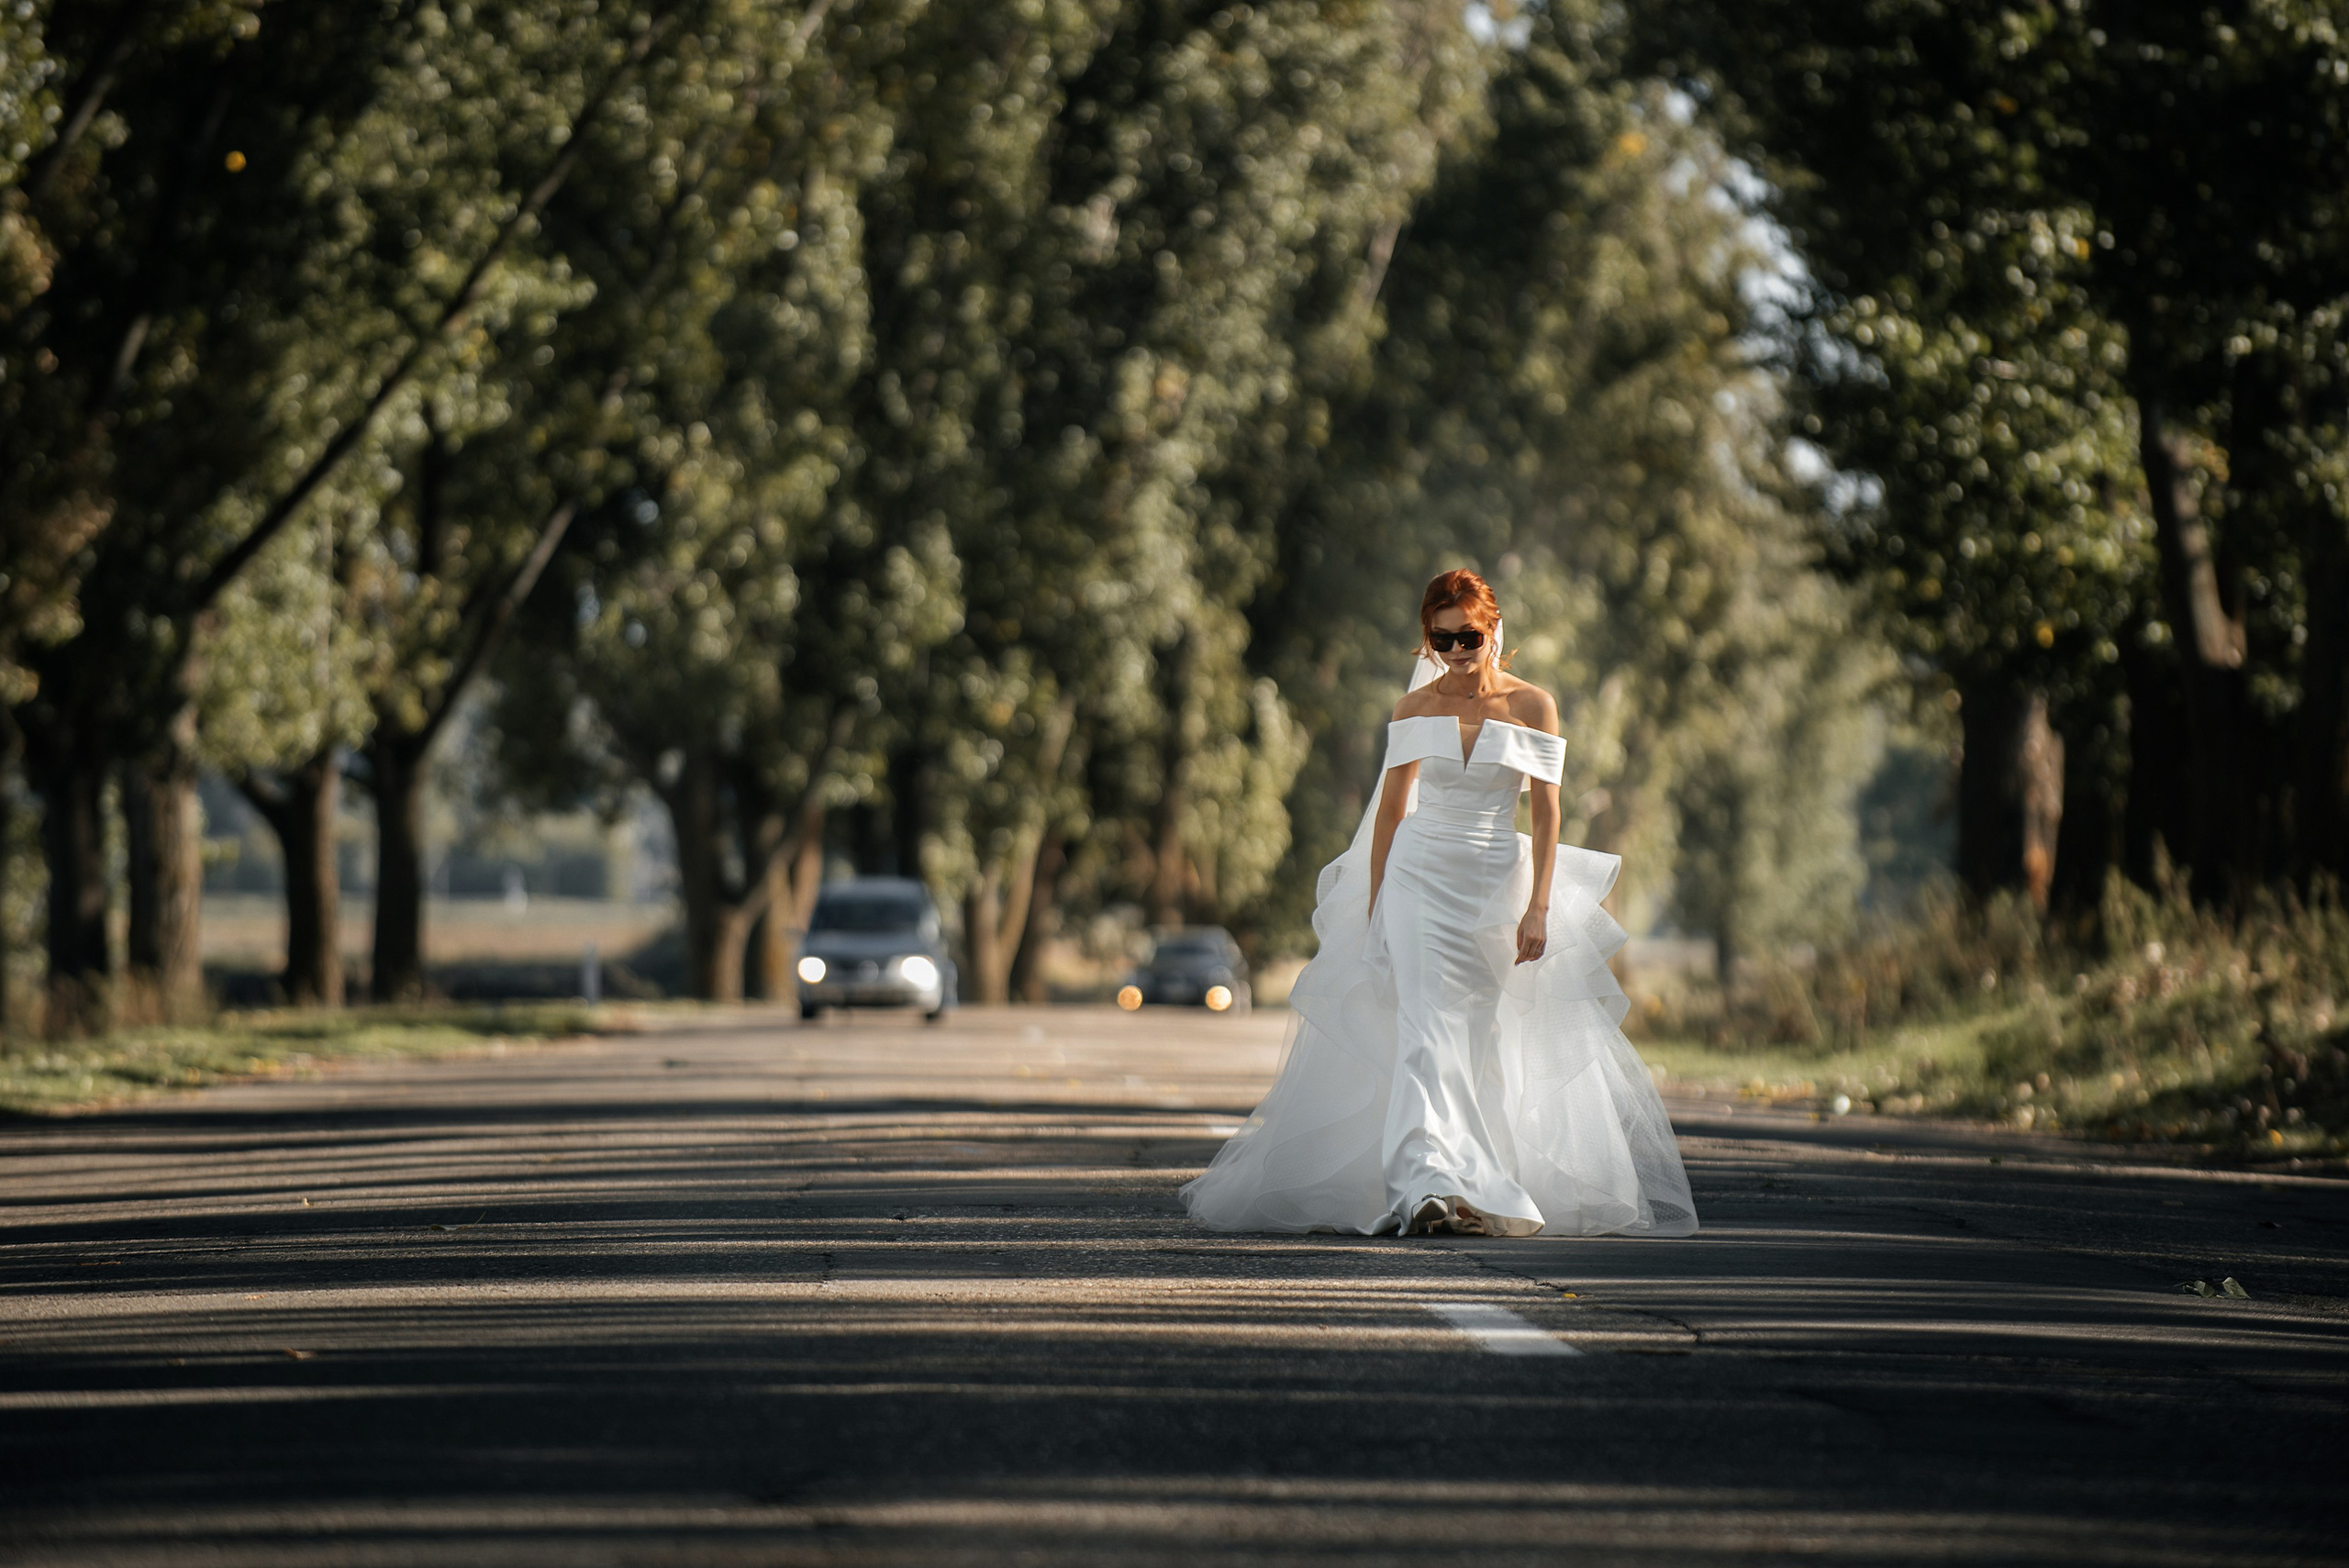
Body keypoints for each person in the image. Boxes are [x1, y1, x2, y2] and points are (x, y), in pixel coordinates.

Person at [1182, 569, 1698, 1238]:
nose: (1456, 650)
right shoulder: (1413, 709)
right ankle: (1423, 1184)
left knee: (1477, 1039)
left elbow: (1546, 814)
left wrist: (1538, 906)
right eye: (1441, 637)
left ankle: (1474, 1185)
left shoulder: (1534, 706)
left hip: (1493, 883)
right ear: (1427, 638)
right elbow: (1393, 811)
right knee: (1425, 1031)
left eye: (1469, 635)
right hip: (1416, 878)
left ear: (1494, 629)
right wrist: (1372, 907)